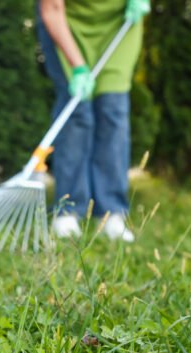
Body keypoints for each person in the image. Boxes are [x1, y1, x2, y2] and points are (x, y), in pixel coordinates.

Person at [37, 0, 150, 242]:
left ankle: (112, 211)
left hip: (120, 20)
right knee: (76, 112)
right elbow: (52, 9)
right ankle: (68, 208)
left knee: (113, 111)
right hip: (69, 23)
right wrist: (78, 68)